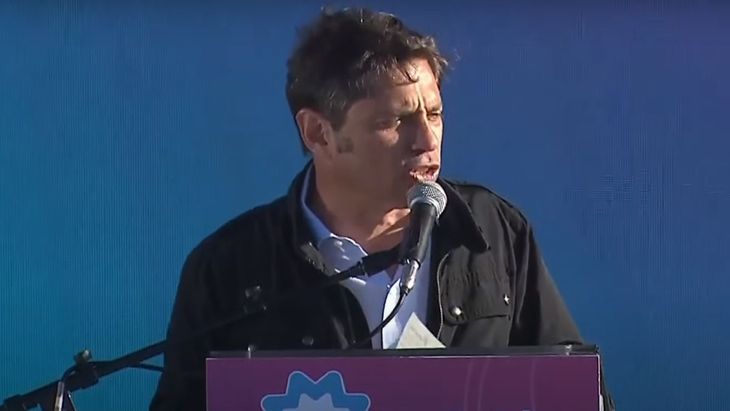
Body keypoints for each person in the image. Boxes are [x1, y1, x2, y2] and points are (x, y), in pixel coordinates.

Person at [150, 7, 613, 411]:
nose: (427, 140)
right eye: (395, 121)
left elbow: (576, 387)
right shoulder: (231, 267)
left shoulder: (493, 231)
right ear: (318, 133)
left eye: (434, 114)